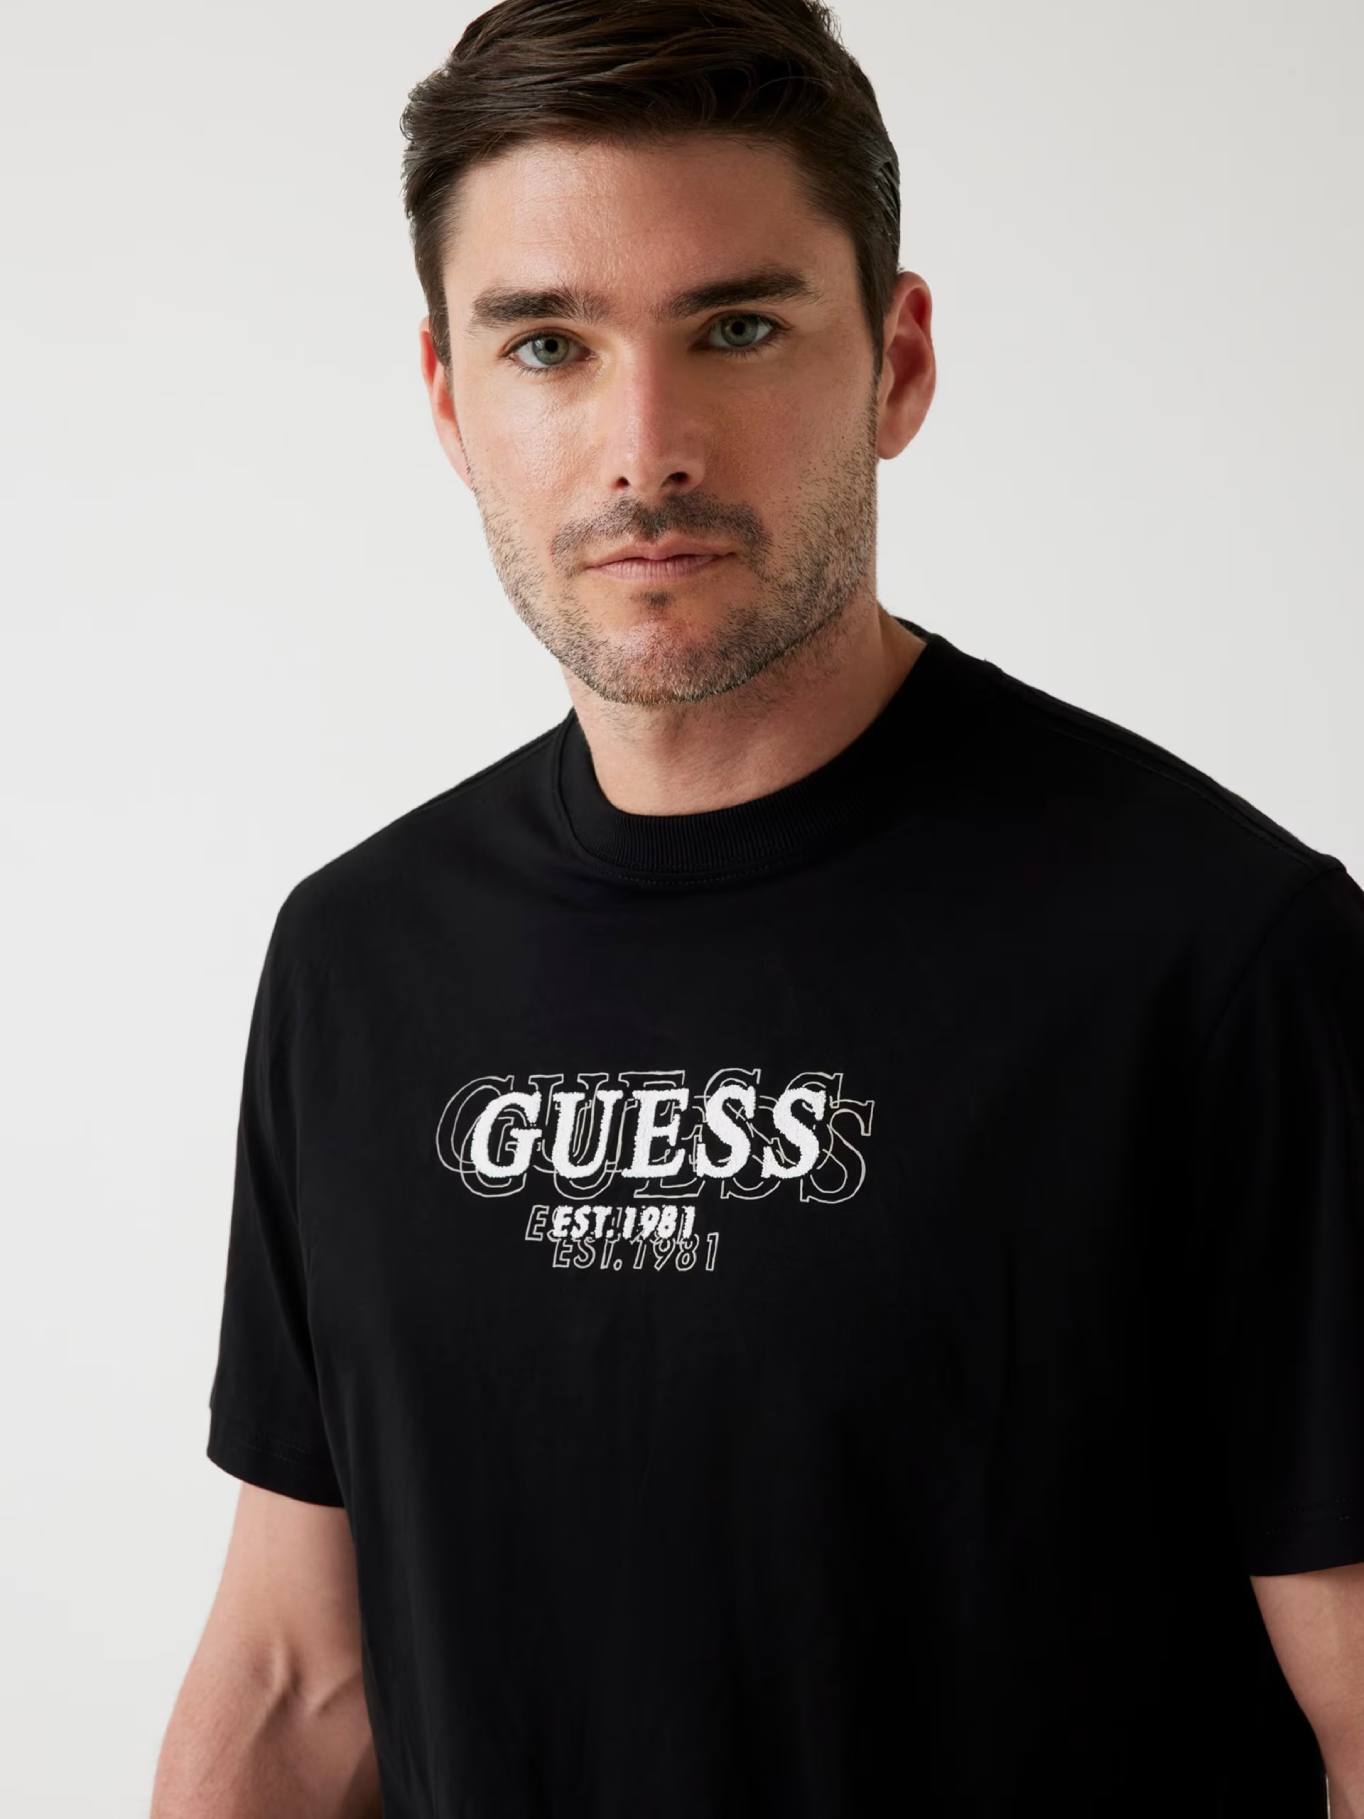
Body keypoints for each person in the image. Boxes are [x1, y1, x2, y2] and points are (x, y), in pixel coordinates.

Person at [151, 1, 1364, 1814]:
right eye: (548, 345)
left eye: (735, 327)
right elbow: (295, 1683)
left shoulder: (1222, 956)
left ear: (897, 363)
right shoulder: (359, 961)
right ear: (450, 402)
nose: (646, 447)